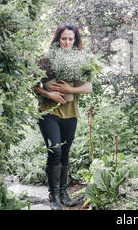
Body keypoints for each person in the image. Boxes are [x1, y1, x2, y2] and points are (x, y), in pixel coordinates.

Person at [34, 22, 92, 210]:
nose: (67, 42)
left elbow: (88, 87)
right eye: (63, 38)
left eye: (70, 39)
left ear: (75, 41)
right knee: (55, 151)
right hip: (48, 112)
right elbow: (33, 84)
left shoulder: (79, 60)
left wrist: (70, 89)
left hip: (70, 113)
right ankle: (54, 197)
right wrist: (48, 93)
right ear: (58, 39)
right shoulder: (47, 59)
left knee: (65, 154)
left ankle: (63, 194)